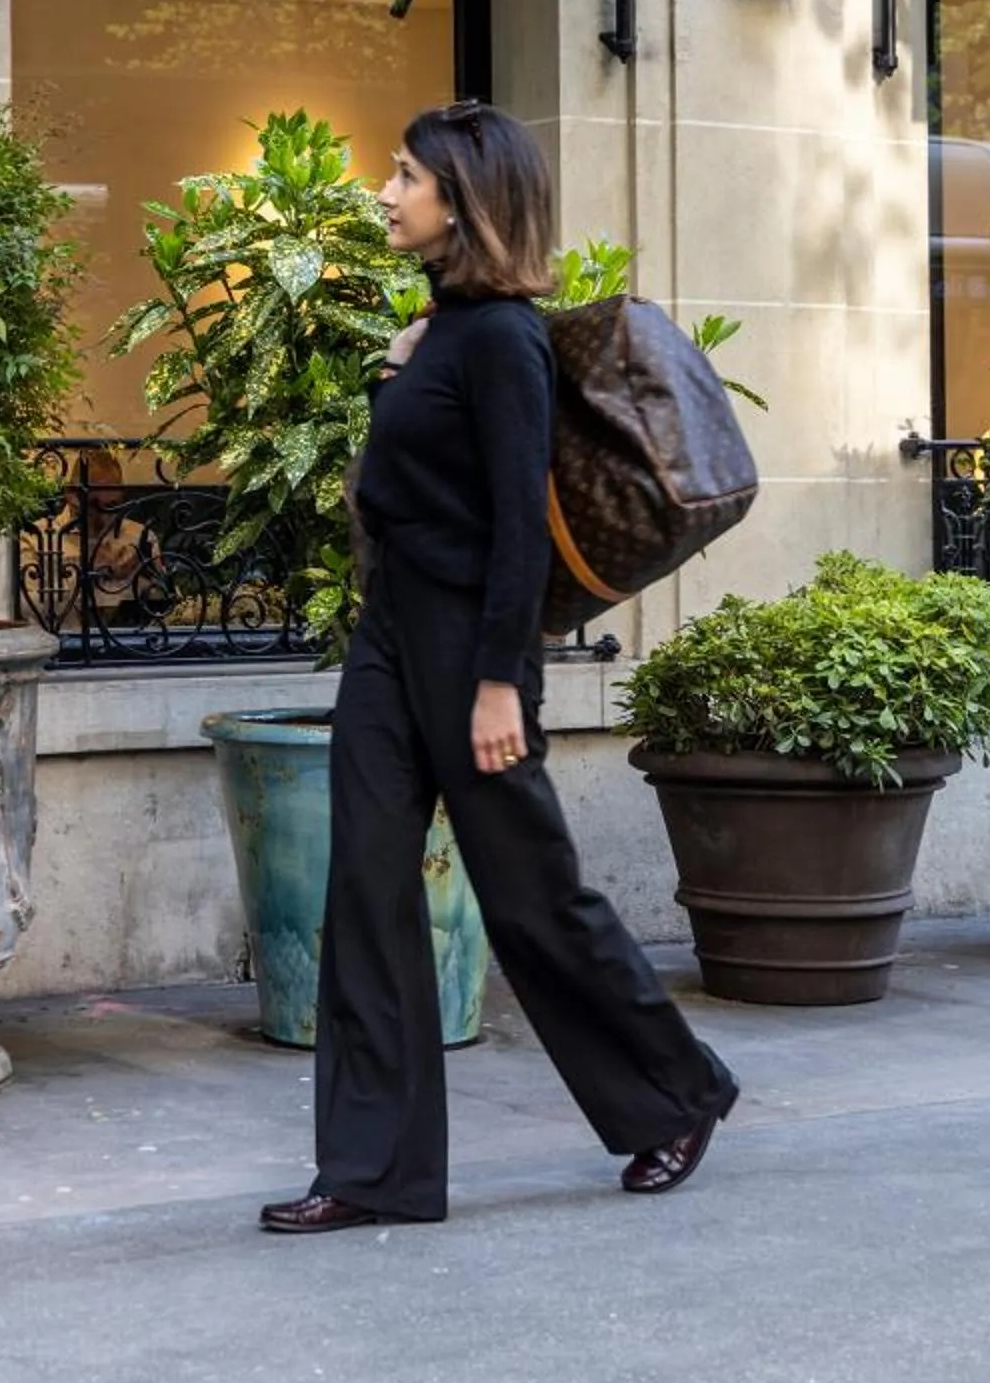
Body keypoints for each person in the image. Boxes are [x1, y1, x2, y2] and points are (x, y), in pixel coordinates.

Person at [260, 100, 739, 1235]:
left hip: (471, 644)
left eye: (405, 172)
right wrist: (397, 358)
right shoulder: (446, 330)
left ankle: (680, 1092)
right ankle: (373, 1170)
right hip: (389, 635)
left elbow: (520, 530)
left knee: (532, 898)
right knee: (366, 888)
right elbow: (413, 486)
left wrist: (495, 683)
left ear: (463, 199)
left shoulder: (506, 341)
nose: (385, 190)